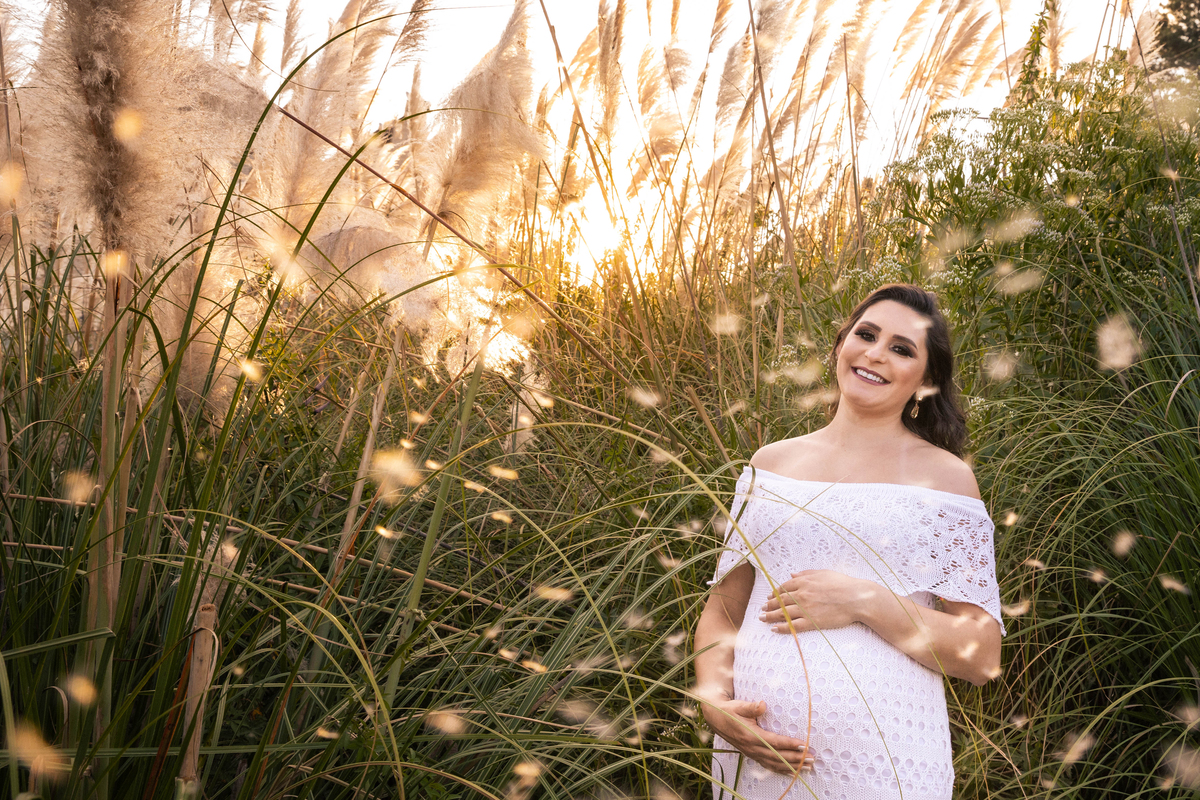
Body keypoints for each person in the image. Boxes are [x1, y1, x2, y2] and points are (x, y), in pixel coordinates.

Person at [694, 284, 1004, 800]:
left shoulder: (947, 482)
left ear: (925, 380)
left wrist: (864, 601)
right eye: (866, 334)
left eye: (902, 349)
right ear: (842, 344)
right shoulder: (769, 466)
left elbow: (982, 656)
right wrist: (713, 703)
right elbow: (724, 611)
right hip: (757, 766)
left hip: (885, 766)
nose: (876, 353)